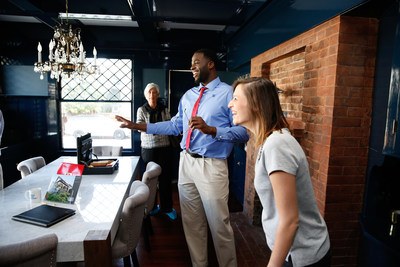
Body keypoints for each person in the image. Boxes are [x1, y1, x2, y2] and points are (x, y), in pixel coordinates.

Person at [116, 48, 249, 267]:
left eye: (196, 62)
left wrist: (212, 130)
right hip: (186, 163)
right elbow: (175, 125)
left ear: (211, 64)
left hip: (212, 166)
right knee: (192, 223)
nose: (192, 66)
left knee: (219, 225)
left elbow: (244, 132)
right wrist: (137, 126)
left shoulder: (229, 94)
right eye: (190, 62)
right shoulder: (188, 96)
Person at [228, 77, 330, 267]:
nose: (229, 104)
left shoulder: (278, 144)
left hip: (302, 256)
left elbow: (290, 221)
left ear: (257, 104)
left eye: (235, 98)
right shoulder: (270, 141)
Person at [137, 82, 177, 220]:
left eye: (154, 92)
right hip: (148, 149)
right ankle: (152, 207)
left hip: (164, 148)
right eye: (150, 92)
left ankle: (167, 208)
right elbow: (139, 126)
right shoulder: (141, 110)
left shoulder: (164, 110)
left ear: (158, 94)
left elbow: (170, 126)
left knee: (165, 179)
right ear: (146, 95)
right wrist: (156, 127)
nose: (152, 95)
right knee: (151, 180)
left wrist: (153, 127)